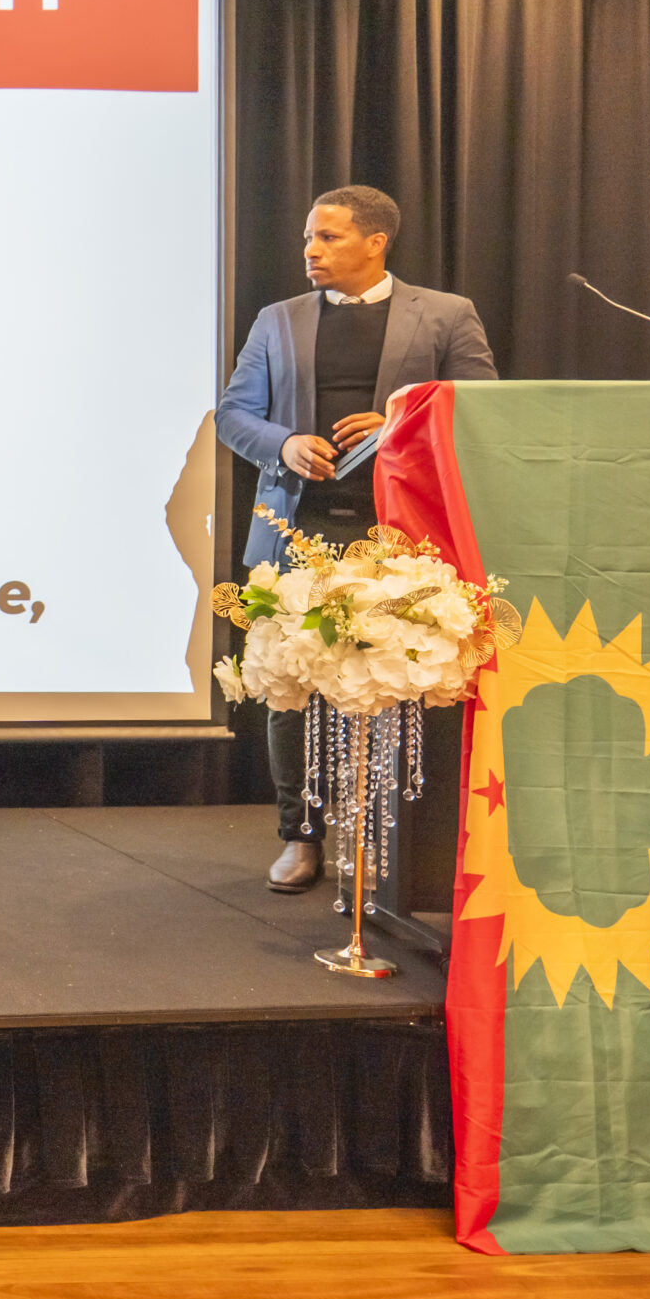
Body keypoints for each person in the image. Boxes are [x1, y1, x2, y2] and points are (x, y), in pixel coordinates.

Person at [218, 184, 496, 892]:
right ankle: (300, 836)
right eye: (308, 237)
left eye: (328, 237)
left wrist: (401, 422)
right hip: (295, 528)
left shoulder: (445, 314)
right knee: (292, 687)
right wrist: (283, 445)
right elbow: (233, 415)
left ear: (376, 242)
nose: (310, 250)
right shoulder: (277, 320)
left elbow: (482, 410)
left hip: (399, 532)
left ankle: (387, 843)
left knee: (398, 683)